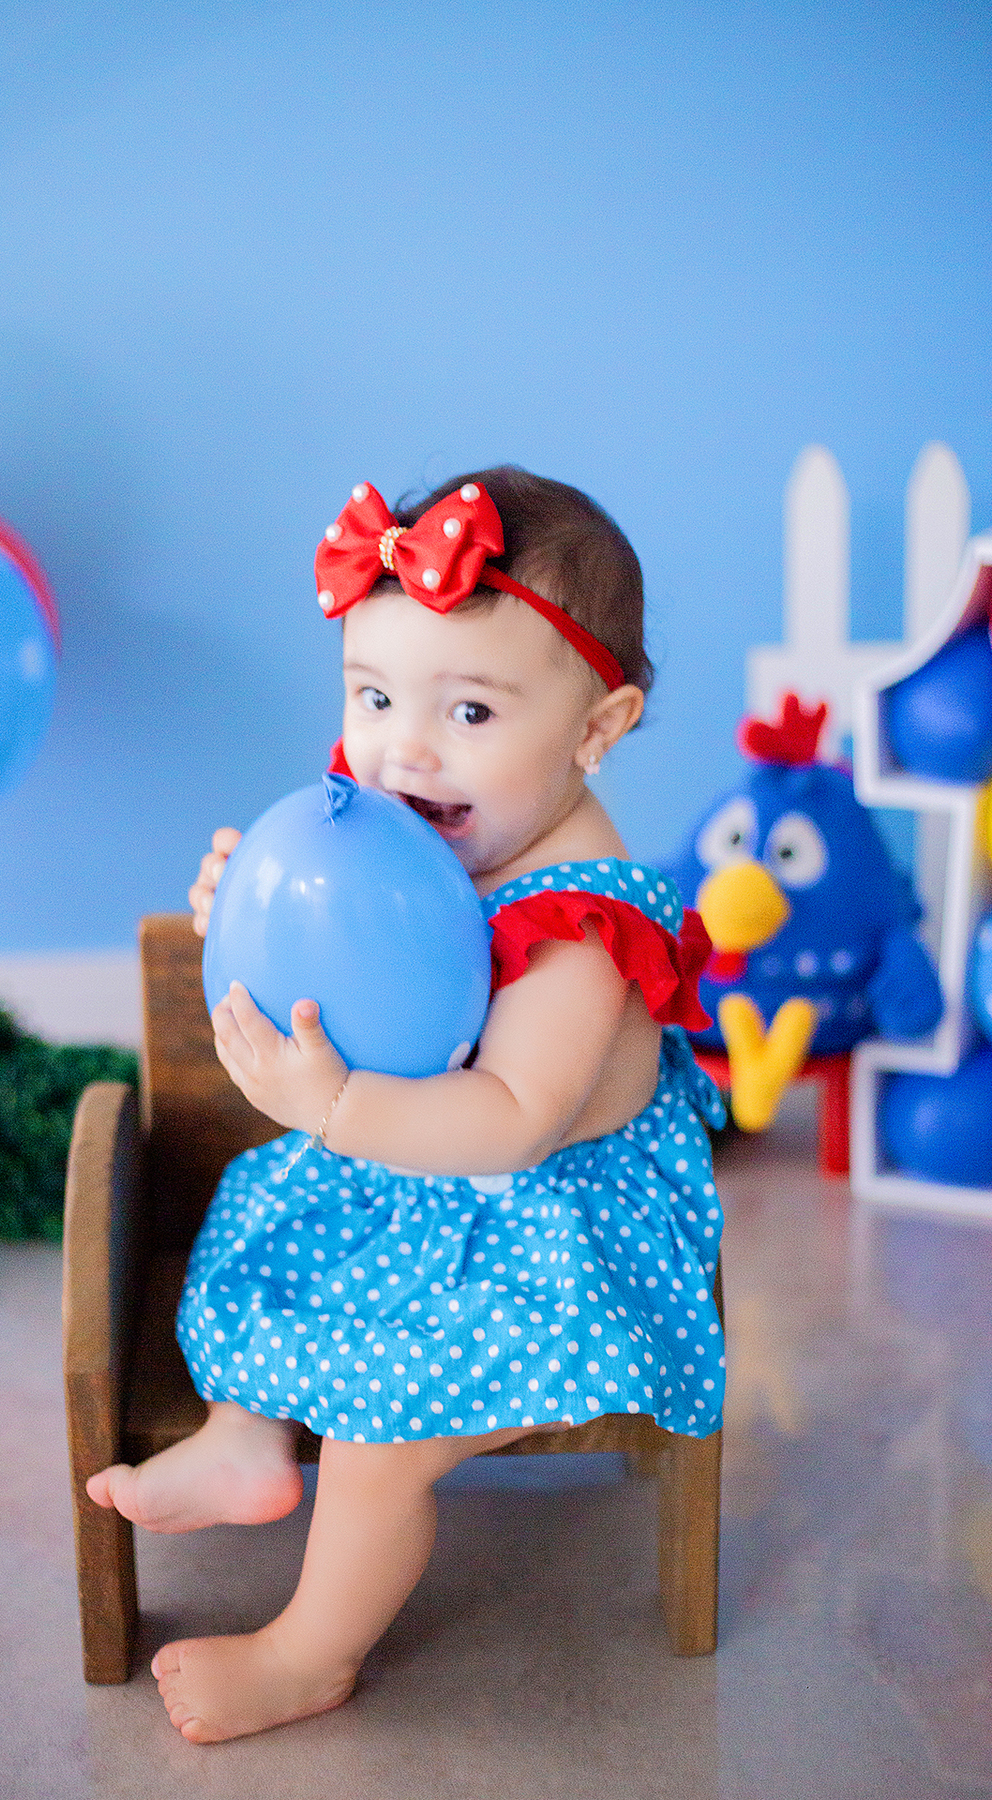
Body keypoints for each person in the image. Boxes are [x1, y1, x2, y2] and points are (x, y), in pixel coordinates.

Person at [87, 466, 726, 1743]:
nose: (403, 751)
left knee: (384, 1436)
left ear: (597, 729)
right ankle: (244, 1438)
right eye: (374, 695)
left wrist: (334, 1105)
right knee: (264, 1212)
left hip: (551, 1228)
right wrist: (258, 905)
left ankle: (309, 1653)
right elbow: (355, 951)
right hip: (417, 1170)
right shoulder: (426, 817)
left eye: (470, 710)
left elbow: (515, 1115)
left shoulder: (578, 924)